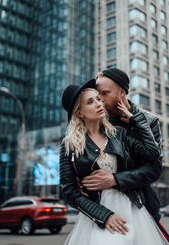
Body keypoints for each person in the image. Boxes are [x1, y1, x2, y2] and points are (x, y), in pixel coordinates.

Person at [60, 80, 168, 244]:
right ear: (80, 113)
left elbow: (152, 155)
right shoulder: (69, 145)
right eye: (90, 102)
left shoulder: (119, 134)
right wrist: (105, 216)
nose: (99, 103)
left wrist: (136, 119)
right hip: (97, 215)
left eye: (98, 98)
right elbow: (69, 191)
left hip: (132, 210)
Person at [81, 68, 163, 225]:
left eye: (104, 93)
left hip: (141, 207)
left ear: (122, 94)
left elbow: (154, 169)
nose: (100, 99)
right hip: (100, 210)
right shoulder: (96, 120)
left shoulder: (149, 121)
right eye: (97, 94)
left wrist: (115, 180)